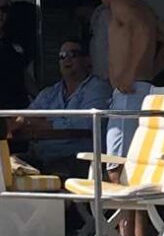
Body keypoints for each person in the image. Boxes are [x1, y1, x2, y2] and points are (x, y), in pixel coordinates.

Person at [92, 0, 164, 154]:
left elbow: (143, 31)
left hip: (129, 92)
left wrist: (130, 75)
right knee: (133, 151)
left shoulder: (120, 4)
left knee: (117, 158)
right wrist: (148, 72)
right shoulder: (143, 7)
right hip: (139, 87)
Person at [11, 38, 113, 178]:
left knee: (50, 169)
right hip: (42, 158)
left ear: (87, 60)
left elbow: (87, 123)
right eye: (62, 56)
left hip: (79, 161)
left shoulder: (98, 88)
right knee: (7, 163)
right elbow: (26, 118)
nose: (67, 59)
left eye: (73, 54)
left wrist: (47, 124)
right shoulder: (49, 93)